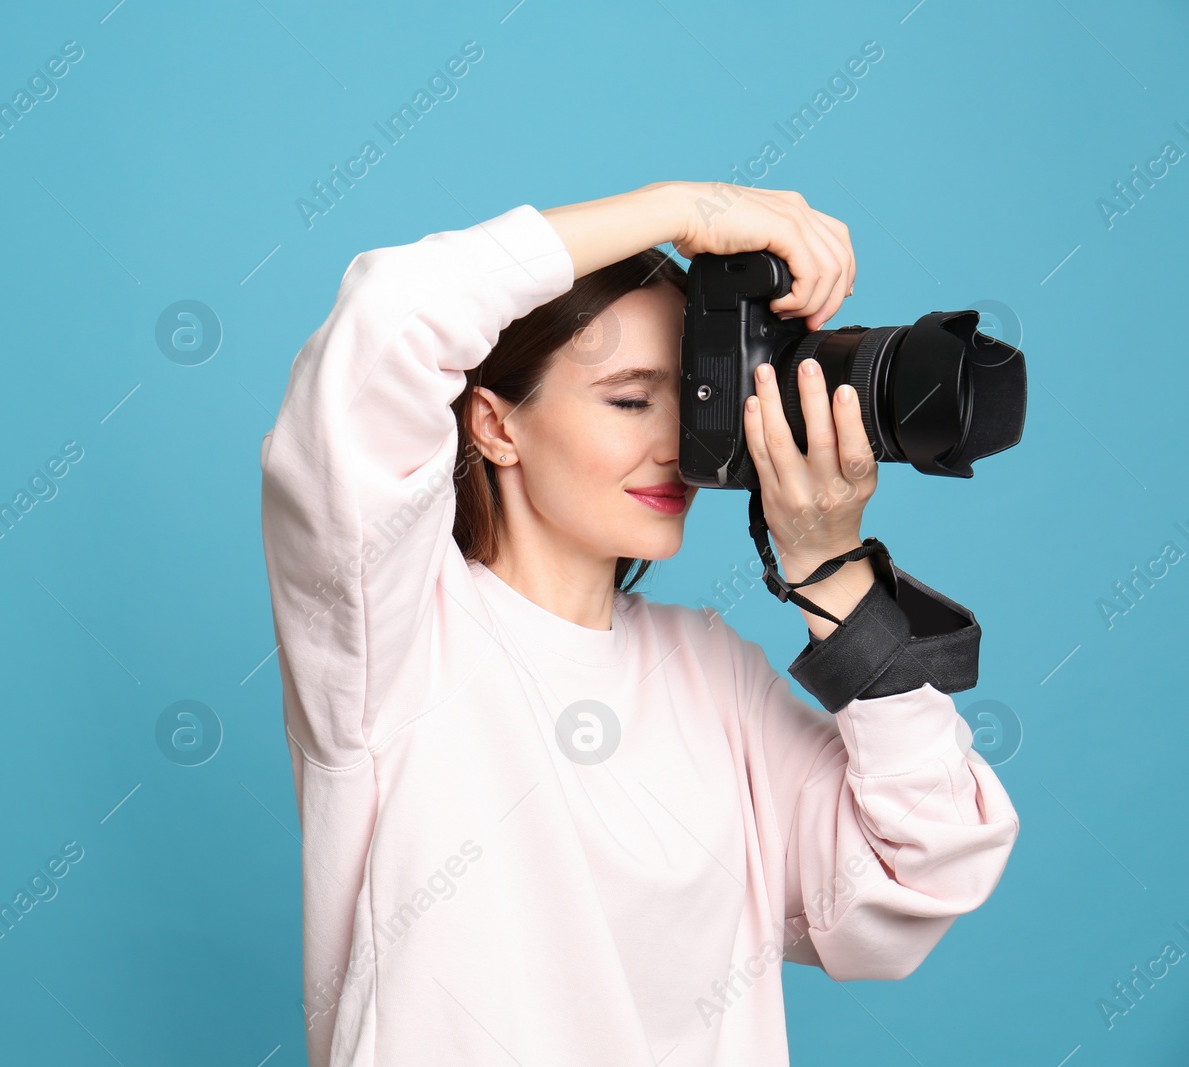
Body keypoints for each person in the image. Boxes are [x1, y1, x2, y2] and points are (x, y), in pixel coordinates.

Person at [258, 180, 1019, 1066]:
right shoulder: (393, 631)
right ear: (496, 425)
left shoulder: (709, 671)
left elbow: (923, 870)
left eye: (695, 397)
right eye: (629, 398)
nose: (678, 444)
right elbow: (389, 317)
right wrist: (684, 210)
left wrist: (831, 575)